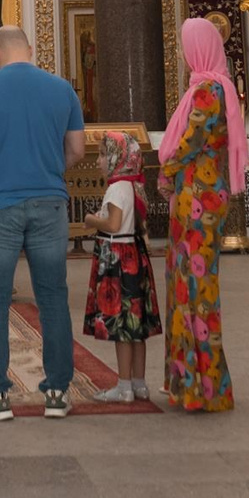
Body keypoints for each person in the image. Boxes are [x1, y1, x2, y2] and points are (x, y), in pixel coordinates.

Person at [0, 24, 83, 421]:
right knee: (53, 298)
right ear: (29, 48)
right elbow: (77, 149)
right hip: (49, 204)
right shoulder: (62, 89)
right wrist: (47, 172)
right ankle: (58, 393)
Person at [158, 16, 246, 412]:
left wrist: (166, 170)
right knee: (188, 285)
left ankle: (202, 386)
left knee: (194, 288)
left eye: (185, 44)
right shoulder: (210, 87)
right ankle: (190, 381)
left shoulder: (208, 91)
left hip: (198, 197)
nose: (182, 52)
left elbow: (191, 142)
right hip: (197, 193)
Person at [78, 129, 156, 403]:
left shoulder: (116, 187)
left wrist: (91, 220)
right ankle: (139, 383)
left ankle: (123, 386)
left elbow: (112, 224)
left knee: (122, 326)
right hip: (134, 254)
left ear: (116, 158)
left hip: (117, 258)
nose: (98, 160)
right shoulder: (133, 186)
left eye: (102, 155)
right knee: (136, 327)